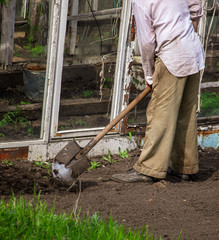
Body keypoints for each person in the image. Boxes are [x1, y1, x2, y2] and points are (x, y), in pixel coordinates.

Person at [112, 0, 205, 183]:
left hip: (172, 56)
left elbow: (147, 42)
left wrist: (149, 74)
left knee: (160, 114)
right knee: (185, 114)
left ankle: (149, 168)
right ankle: (185, 167)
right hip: (193, 53)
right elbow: (195, 7)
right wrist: (186, 35)